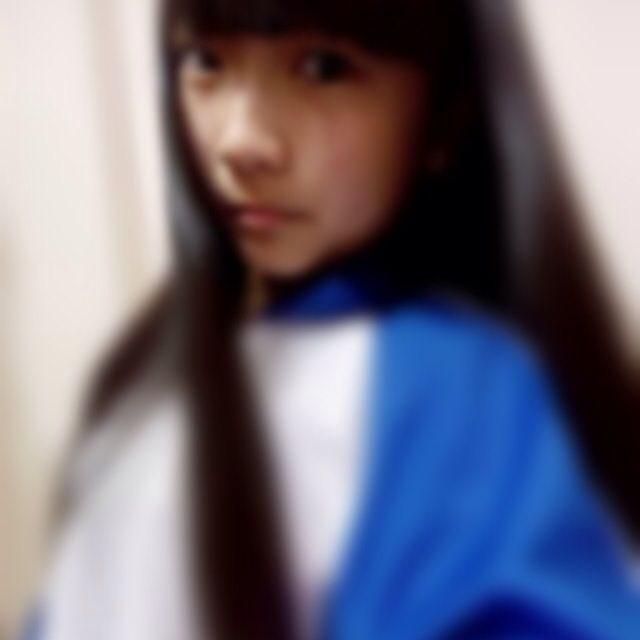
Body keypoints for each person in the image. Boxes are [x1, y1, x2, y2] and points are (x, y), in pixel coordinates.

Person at [24, 0, 640, 638]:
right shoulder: (142, 379)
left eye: (323, 67)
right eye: (206, 61)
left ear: (445, 118)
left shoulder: (456, 388)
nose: (241, 141)